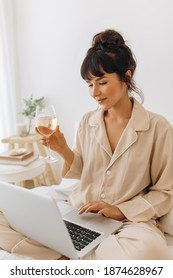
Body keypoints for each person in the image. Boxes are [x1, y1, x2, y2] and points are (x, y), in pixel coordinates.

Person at [0, 29, 173, 259]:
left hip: (127, 221)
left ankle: (65, 254)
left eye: (102, 82)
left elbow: (164, 191)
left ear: (127, 77)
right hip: (80, 211)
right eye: (89, 84)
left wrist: (120, 210)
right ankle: (78, 251)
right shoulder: (87, 122)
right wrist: (62, 149)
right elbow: (83, 170)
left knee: (151, 252)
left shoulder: (157, 127)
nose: (94, 92)